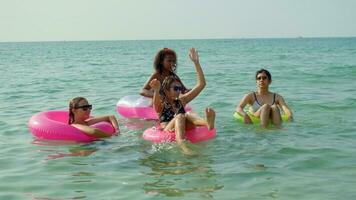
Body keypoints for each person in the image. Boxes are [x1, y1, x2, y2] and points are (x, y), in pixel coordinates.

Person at [150, 48, 215, 154]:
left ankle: (207, 123)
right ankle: (183, 146)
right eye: (175, 89)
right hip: (168, 128)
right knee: (180, 116)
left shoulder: (181, 101)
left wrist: (196, 63)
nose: (178, 91)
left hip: (183, 125)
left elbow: (201, 84)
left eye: (179, 88)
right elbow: (155, 106)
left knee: (188, 113)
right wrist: (157, 89)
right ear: (166, 90)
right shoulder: (162, 104)